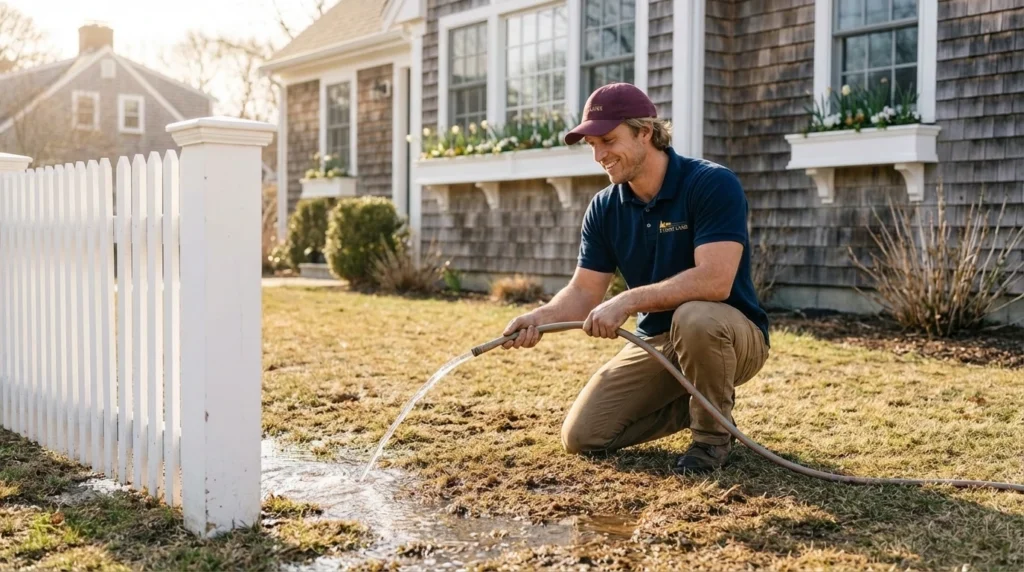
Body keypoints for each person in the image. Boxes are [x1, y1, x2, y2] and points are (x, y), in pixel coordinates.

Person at [501, 83, 770, 474]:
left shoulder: (711, 183)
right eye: (592, 145)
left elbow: (715, 281)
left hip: (729, 332)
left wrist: (627, 301)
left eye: (608, 140)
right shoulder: (606, 208)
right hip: (656, 341)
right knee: (583, 437)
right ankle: (706, 404)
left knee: (695, 317)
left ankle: (711, 439)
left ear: (646, 131)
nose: (599, 156)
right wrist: (537, 320)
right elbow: (583, 291)